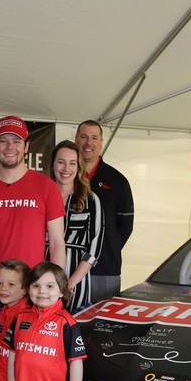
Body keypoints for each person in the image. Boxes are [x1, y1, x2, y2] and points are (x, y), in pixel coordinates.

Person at [0, 115, 66, 381]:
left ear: (26, 146)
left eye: (16, 141)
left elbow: (57, 243)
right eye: (3, 141)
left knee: (29, 362)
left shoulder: (46, 187)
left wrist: (55, 291)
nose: (9, 147)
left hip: (32, 294)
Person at [75, 120, 134, 303]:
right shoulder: (65, 176)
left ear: (101, 142)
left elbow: (126, 227)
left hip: (105, 270)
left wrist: (105, 249)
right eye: (84, 137)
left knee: (102, 327)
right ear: (76, 140)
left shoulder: (118, 181)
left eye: (94, 138)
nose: (88, 143)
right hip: (69, 268)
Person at [50, 140, 104, 312]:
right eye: (61, 162)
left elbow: (95, 248)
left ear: (79, 167)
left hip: (77, 280)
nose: (66, 169)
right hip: (44, 275)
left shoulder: (90, 200)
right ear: (52, 165)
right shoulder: (43, 196)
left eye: (72, 163)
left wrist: (70, 283)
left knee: (72, 331)